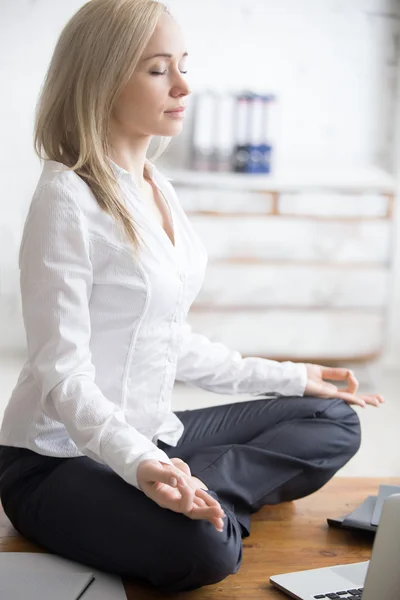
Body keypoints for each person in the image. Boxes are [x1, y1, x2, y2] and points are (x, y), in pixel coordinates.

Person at [0, 0, 384, 593]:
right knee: (206, 553)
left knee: (330, 418)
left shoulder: (157, 188)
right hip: (55, 461)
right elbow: (62, 375)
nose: (183, 85)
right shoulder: (66, 199)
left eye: (184, 64)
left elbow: (167, 340)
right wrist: (140, 464)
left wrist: (288, 375)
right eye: (158, 69)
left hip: (151, 433)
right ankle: (198, 499)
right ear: (101, 77)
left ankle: (203, 490)